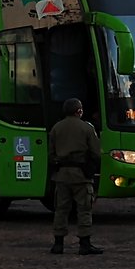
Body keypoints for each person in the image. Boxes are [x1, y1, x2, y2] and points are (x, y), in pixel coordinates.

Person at [47, 97, 103, 255]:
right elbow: (96, 153)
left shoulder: (56, 128)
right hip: (81, 175)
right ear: (79, 111)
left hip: (62, 175)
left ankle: (58, 244)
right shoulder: (86, 128)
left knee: (61, 210)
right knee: (84, 209)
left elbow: (50, 154)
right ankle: (84, 244)